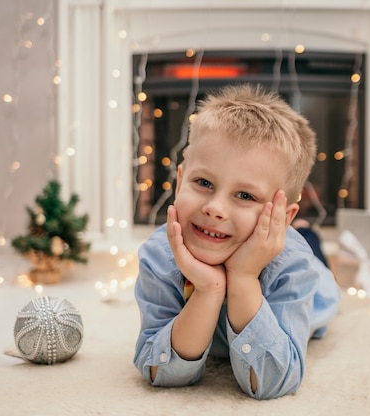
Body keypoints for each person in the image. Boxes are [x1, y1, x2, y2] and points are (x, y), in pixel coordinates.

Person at [133, 84, 341, 400]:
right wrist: (209, 289)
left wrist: (243, 278)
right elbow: (158, 369)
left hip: (314, 278)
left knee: (311, 251)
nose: (214, 208)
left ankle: (304, 231)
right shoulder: (159, 254)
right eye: (203, 183)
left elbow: (274, 381)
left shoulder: (293, 266)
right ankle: (302, 228)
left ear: (280, 218)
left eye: (245, 195)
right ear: (180, 181)